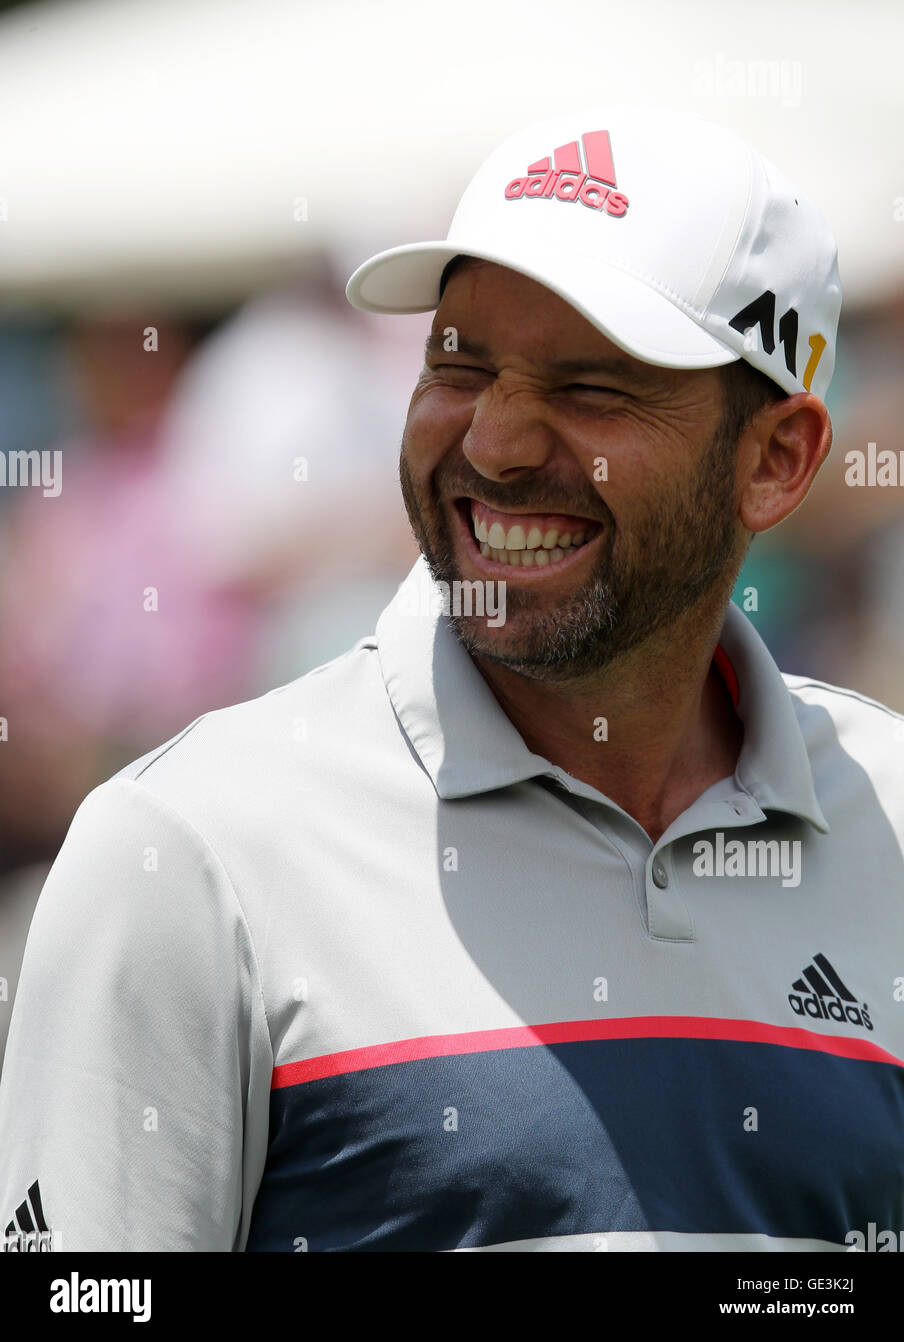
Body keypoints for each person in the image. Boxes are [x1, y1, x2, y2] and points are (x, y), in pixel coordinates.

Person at [1, 107, 902, 1254]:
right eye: (457, 362)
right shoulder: (190, 850)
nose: (498, 440)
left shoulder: (890, 819)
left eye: (592, 386)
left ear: (775, 459)